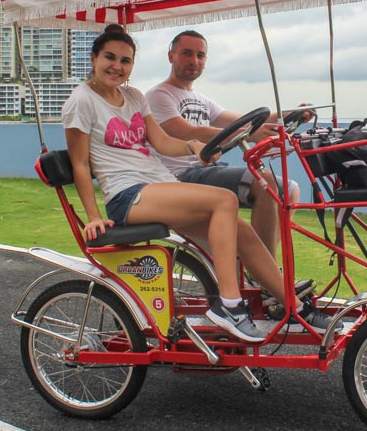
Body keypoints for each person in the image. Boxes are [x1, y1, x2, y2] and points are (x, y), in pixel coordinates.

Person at [62, 25, 337, 343]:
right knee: (224, 200)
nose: (117, 66)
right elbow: (81, 165)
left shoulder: (134, 96)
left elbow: (163, 143)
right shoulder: (82, 101)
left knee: (242, 231)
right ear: (94, 58)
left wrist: (191, 145)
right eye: (110, 57)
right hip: (128, 194)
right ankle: (230, 306)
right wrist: (94, 216)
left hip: (158, 185)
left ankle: (294, 308)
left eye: (125, 61)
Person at [145, 30, 307, 258]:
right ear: (171, 56)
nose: (194, 61)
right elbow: (189, 131)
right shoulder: (159, 96)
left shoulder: (202, 100)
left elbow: (243, 120)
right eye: (187, 54)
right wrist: (250, 134)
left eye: (200, 55)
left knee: (289, 191)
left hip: (205, 171)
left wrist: (292, 114)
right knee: (265, 182)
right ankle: (265, 277)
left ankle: (260, 263)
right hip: (180, 176)